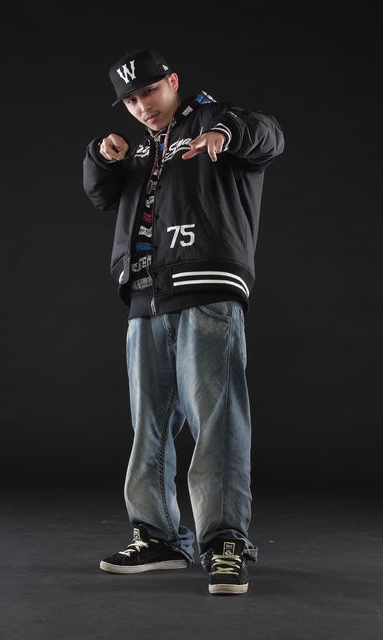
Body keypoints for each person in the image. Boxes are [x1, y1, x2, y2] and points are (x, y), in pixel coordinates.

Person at [82, 48, 284, 595]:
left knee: (216, 421)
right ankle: (160, 538)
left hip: (205, 287)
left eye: (149, 91)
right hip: (145, 294)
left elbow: (268, 135)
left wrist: (224, 134)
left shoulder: (216, 119)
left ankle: (225, 543)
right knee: (149, 423)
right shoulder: (139, 147)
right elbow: (102, 195)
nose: (141, 106)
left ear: (172, 82)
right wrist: (101, 156)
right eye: (130, 100)